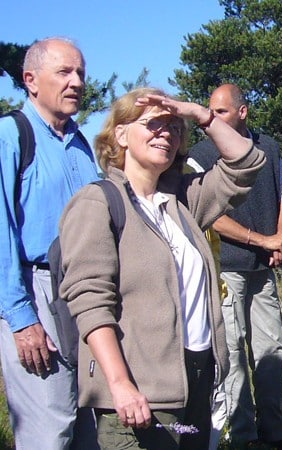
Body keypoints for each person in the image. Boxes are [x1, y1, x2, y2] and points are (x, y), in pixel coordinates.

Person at [59, 87, 264, 448]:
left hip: (197, 381)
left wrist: (200, 115)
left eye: (173, 126)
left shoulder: (183, 200)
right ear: (120, 134)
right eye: (153, 123)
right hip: (142, 393)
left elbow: (246, 163)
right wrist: (120, 384)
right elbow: (90, 302)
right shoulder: (98, 201)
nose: (166, 132)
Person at [0, 37, 100, 449]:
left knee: (89, 425)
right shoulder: (11, 135)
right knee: (50, 428)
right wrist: (22, 320)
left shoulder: (81, 144)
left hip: (86, 294)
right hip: (36, 292)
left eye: (80, 73)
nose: (76, 82)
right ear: (31, 80)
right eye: (64, 72)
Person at [188, 84, 282, 450]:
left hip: (262, 269)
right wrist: (262, 240)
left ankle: (278, 432)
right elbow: (207, 215)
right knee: (231, 354)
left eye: (220, 112)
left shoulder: (267, 146)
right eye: (210, 112)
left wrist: (281, 240)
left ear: (242, 112)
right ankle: (244, 437)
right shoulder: (200, 154)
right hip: (225, 269)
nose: (212, 119)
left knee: (273, 352)